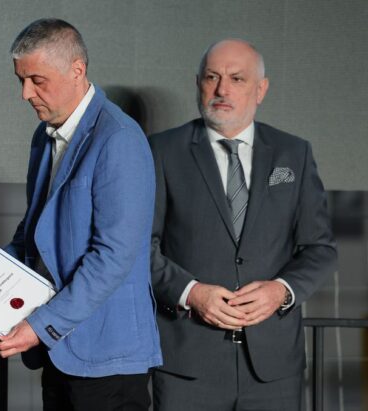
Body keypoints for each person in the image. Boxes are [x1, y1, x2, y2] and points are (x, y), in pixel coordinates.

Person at [149, 39, 337, 410]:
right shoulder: (161, 151)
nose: (222, 89)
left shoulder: (294, 153)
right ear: (198, 83)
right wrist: (191, 292)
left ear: (261, 89)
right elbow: (139, 248)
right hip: (186, 365)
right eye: (212, 77)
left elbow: (320, 248)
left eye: (237, 79)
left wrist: (281, 291)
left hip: (274, 368)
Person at [0, 18, 162, 411]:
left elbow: (113, 257)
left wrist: (40, 325)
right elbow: (34, 230)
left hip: (107, 357)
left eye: (37, 80)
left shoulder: (119, 138)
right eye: (21, 80)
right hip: (60, 350)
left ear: (77, 70)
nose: (25, 94)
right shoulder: (44, 136)